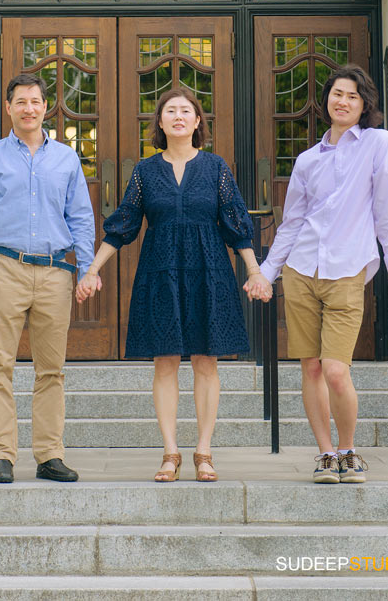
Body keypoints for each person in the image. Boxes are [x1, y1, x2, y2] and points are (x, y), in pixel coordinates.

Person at [77, 86, 265, 482]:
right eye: (170, 111)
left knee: (206, 360)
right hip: (160, 272)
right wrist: (92, 270)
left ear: (197, 122)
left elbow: (236, 224)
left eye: (186, 111)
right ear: (160, 123)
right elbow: (123, 225)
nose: (178, 116)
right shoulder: (145, 171)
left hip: (208, 270)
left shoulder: (216, 168)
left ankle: (204, 451)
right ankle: (170, 451)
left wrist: (254, 270)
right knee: (165, 362)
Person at [245, 64, 388, 484]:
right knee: (312, 367)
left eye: (353, 96)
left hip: (347, 270)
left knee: (337, 370)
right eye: (337, 94)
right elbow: (293, 223)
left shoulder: (378, 143)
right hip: (301, 271)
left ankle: (349, 450)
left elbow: (387, 201)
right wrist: (266, 272)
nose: (343, 101)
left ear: (364, 103)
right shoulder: (307, 160)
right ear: (326, 101)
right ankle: (325, 454)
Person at [0, 72, 96, 484]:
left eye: (35, 101)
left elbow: (81, 217)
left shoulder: (66, 159)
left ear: (46, 107)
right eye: (21, 102)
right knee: (0, 366)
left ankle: (49, 454)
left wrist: (87, 268)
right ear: (8, 107)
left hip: (54, 273)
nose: (29, 108)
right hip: (4, 269)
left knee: (51, 369)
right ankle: (2, 456)